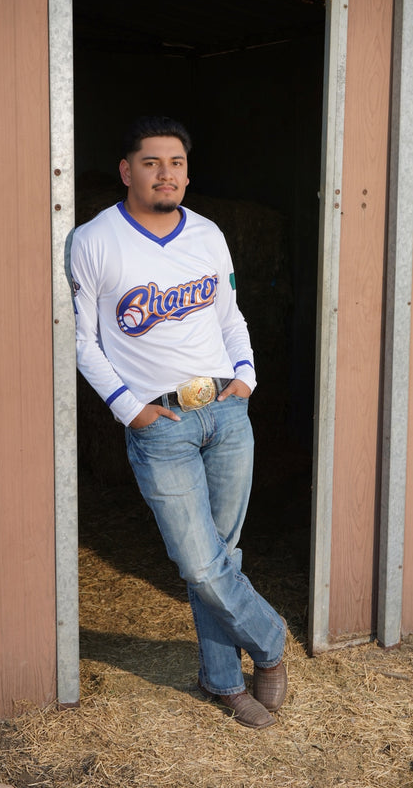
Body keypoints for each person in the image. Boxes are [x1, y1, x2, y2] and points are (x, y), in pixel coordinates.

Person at [70, 115, 287, 729]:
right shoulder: (93, 240)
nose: (166, 174)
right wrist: (129, 408)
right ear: (126, 170)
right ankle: (271, 643)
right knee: (198, 562)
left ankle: (222, 679)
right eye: (151, 162)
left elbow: (229, 313)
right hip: (160, 421)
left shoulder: (209, 234)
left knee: (223, 555)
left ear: (187, 173)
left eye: (177, 164)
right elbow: (85, 342)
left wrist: (246, 375)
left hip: (227, 408)